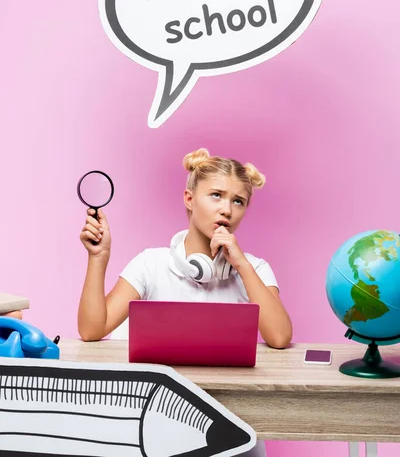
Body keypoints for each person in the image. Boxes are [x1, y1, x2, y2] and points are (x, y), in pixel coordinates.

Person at [78, 148, 293, 457]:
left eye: (238, 201)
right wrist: (98, 258)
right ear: (190, 199)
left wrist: (241, 265)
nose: (227, 211)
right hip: (153, 411)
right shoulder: (151, 264)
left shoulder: (254, 269)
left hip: (227, 412)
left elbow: (280, 336)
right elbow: (91, 329)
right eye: (216, 195)